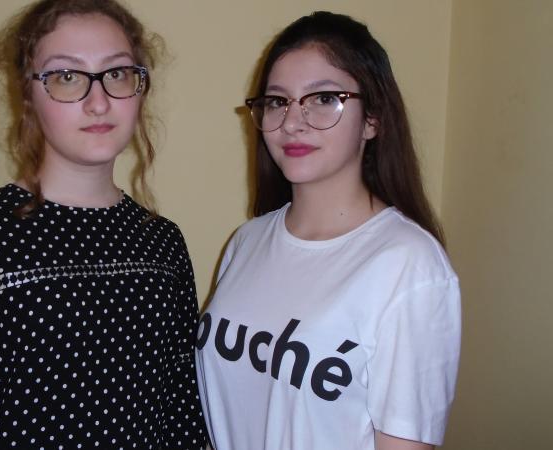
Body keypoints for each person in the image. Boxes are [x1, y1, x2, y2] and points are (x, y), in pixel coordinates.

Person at [0, 0, 207, 448]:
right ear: (28, 94)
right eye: (67, 76)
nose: (98, 102)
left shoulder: (162, 242)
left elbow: (182, 412)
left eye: (116, 73)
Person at [195, 11, 461, 450]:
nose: (291, 122)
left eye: (323, 98)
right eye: (277, 101)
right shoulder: (247, 241)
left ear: (373, 119)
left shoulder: (410, 266)